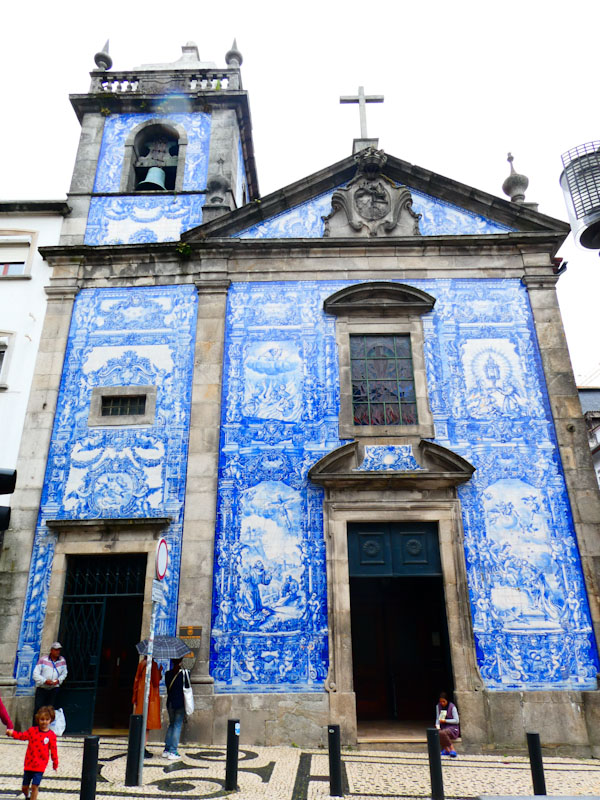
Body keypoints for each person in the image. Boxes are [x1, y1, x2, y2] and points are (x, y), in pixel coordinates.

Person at [7, 705, 59, 799]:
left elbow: (53, 750)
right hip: (29, 764)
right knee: (24, 787)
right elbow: (22, 736)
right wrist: (12, 733)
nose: (44, 722)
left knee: (35, 786)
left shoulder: (51, 735)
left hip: (40, 765)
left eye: (47, 719)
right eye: (42, 719)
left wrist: (55, 762)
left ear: (51, 720)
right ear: (38, 719)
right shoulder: (32, 731)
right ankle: (28, 796)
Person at [132, 656, 163, 758]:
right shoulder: (153, 665)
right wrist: (159, 671)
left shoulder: (142, 663)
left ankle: (139, 746)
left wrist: (135, 698)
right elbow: (156, 682)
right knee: (146, 725)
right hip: (149, 699)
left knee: (141, 723)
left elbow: (136, 680)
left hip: (141, 697)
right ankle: (142, 748)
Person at [32, 643, 67, 719]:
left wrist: (58, 680)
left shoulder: (62, 660)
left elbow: (64, 673)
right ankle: (36, 725)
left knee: (50, 709)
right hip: (42, 688)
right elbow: (35, 674)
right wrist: (44, 681)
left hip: (54, 689)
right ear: (51, 650)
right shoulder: (43, 660)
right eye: (56, 650)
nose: (58, 652)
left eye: (59, 650)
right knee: (39, 709)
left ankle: (48, 725)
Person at [162, 657, 185, 760]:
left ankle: (166, 749)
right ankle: (173, 751)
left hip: (170, 703)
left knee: (171, 724)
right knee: (177, 725)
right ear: (181, 661)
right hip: (180, 703)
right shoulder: (184, 674)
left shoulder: (168, 674)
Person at [435, 692, 459, 757]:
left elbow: (456, 720)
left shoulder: (452, 707)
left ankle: (452, 748)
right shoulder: (438, 706)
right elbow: (437, 718)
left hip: (452, 728)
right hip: (443, 727)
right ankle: (446, 749)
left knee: (442, 733)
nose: (442, 703)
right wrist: (437, 725)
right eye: (440, 702)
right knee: (437, 732)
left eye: (444, 701)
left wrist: (445, 721)